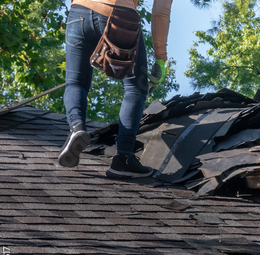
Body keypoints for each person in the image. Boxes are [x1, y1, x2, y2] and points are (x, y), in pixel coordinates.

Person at [58, 0, 173, 177]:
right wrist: (160, 58)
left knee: (76, 83)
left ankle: (77, 127)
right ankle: (123, 158)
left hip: (78, 12)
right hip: (120, 14)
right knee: (135, 88)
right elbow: (160, 12)